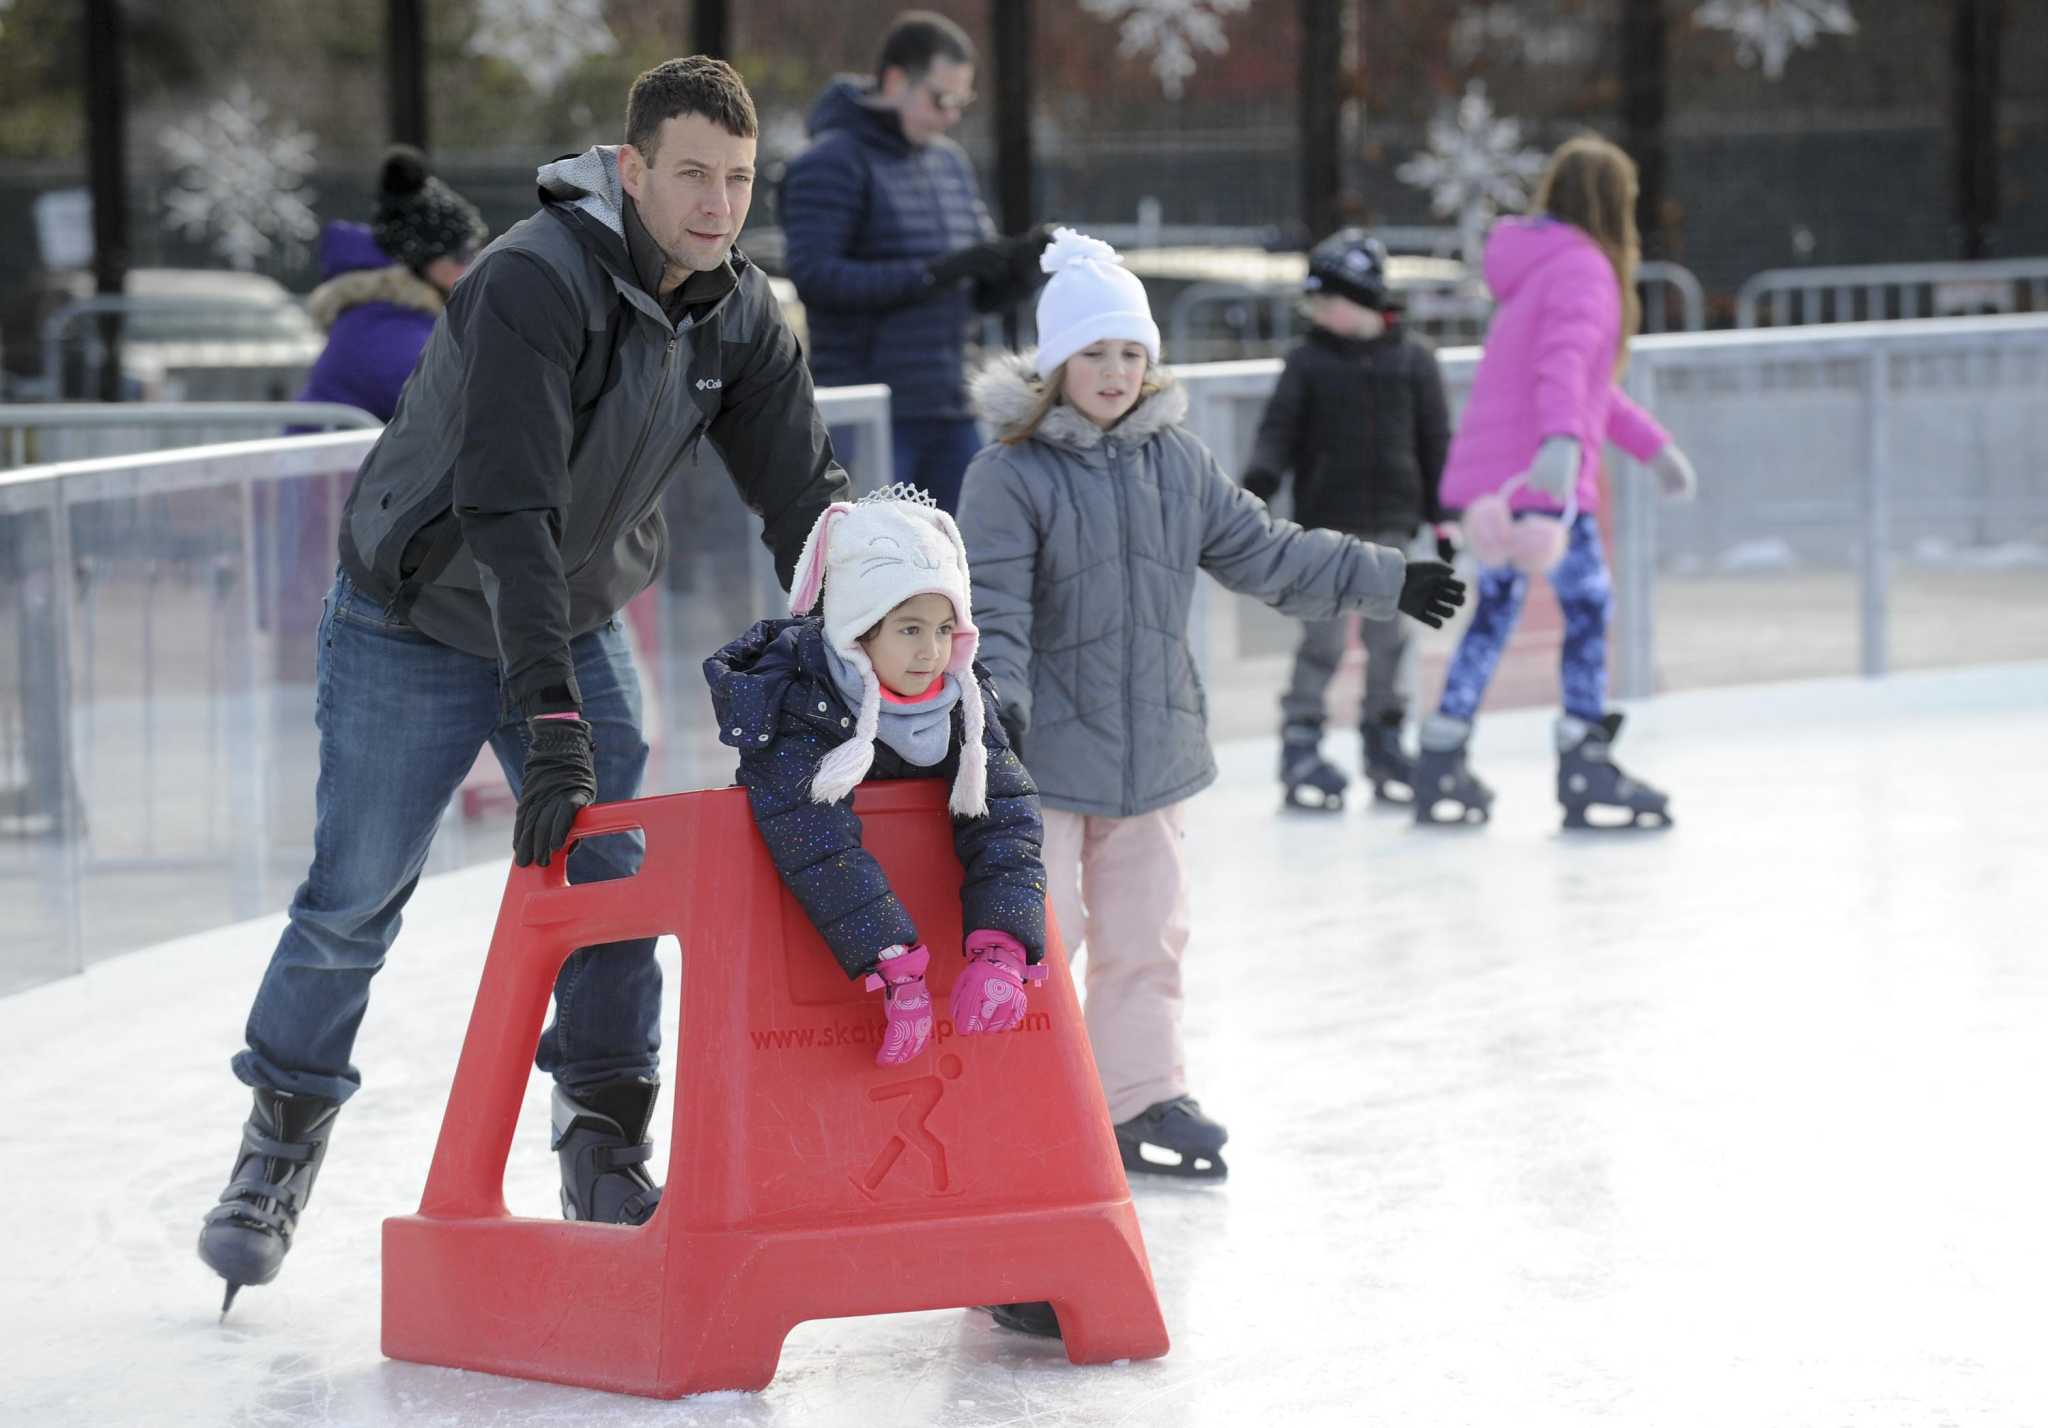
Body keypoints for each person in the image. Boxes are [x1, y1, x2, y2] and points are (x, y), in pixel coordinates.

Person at [197, 56, 852, 1314]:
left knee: (617, 883)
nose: (716, 204)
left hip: (576, 606)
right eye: (690, 176)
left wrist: (883, 626)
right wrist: (549, 714)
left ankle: (601, 1140)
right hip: (418, 615)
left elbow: (804, 496)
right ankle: (277, 1145)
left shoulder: (738, 311)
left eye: (737, 179)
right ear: (630, 169)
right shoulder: (531, 281)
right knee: (355, 895)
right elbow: (507, 507)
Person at [956, 229, 1466, 1189]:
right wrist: (1000, 707)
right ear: (1057, 361)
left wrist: (1384, 579)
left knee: (1147, 936)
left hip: (1154, 753)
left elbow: (1268, 551)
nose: (1114, 372)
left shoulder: (1176, 464)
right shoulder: (1008, 478)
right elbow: (994, 611)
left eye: (1131, 354)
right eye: (1094, 354)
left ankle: (1141, 1092)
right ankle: (1020, 1102)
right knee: (1038, 936)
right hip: (1049, 761)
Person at [702, 482, 1054, 1338]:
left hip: (942, 983)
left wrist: (1004, 944)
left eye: (945, 629)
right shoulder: (800, 707)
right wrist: (893, 963)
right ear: (858, 629)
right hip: (831, 974)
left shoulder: (968, 702)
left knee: (972, 1118)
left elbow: (1007, 814)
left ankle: (1006, 1246)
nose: (932, 652)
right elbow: (810, 834)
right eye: (909, 629)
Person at [1417, 134, 1697, 830]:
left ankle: (1442, 751)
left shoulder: (1540, 268)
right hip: (1539, 474)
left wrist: (1652, 448)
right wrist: (1565, 445)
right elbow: (1566, 368)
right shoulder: (1584, 270)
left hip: (1503, 477)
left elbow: (1591, 387)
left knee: (1496, 611)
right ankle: (1582, 757)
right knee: (1589, 604)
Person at [780, 10, 1051, 514]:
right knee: (878, 565)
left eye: (961, 102)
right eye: (940, 99)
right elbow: (816, 277)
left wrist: (1023, 269)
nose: (951, 115)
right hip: (871, 410)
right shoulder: (829, 162)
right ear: (896, 80)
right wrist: (933, 273)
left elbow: (973, 288)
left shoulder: (949, 162)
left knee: (963, 558)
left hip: (948, 403)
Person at [1242, 228, 1452, 811]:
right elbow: (1277, 432)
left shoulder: (1415, 361)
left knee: (1391, 640)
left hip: (1392, 525)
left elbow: (1436, 442)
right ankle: (1302, 741)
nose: (1320, 310)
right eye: (1315, 300)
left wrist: (1445, 518)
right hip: (1325, 532)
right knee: (1324, 639)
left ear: (1362, 297)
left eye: (1330, 297)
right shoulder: (1307, 363)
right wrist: (1258, 483)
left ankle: (1385, 739)